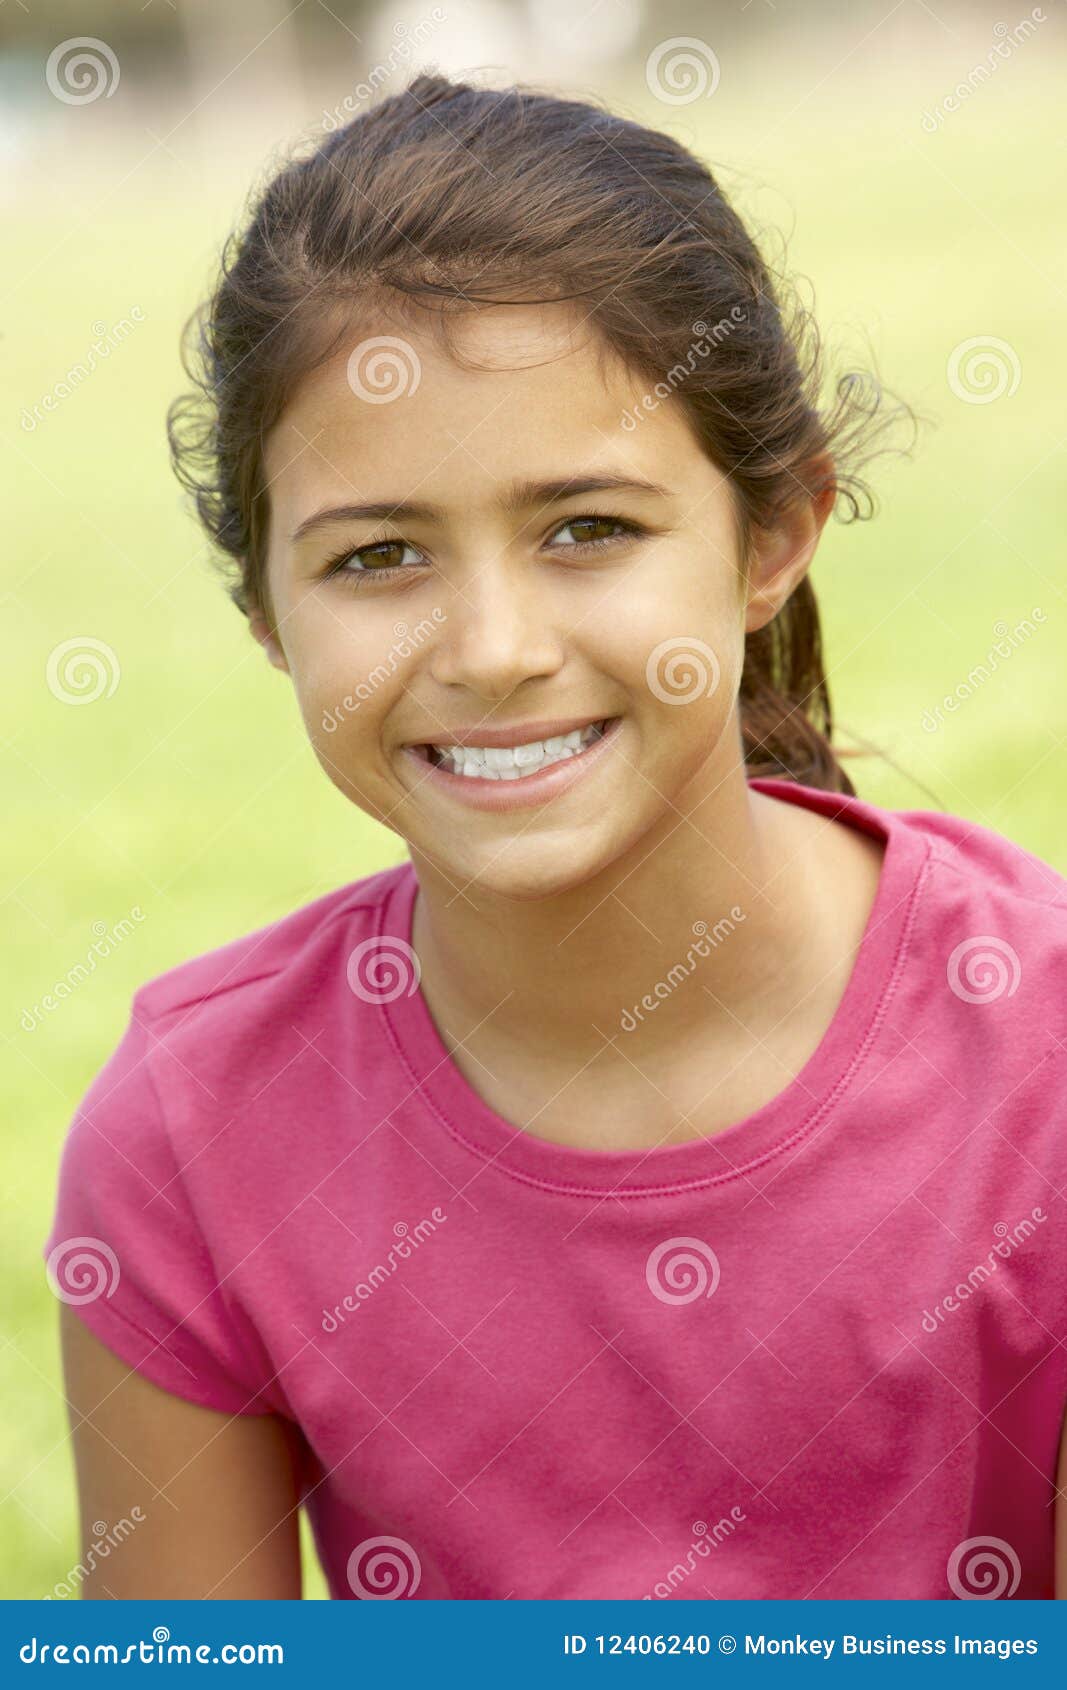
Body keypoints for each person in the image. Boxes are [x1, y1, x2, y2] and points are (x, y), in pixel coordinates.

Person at [44, 70, 1067, 1601]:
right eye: (377, 555)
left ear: (773, 534)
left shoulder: (1039, 1058)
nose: (495, 644)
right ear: (267, 609)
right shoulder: (189, 1141)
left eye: (589, 526)